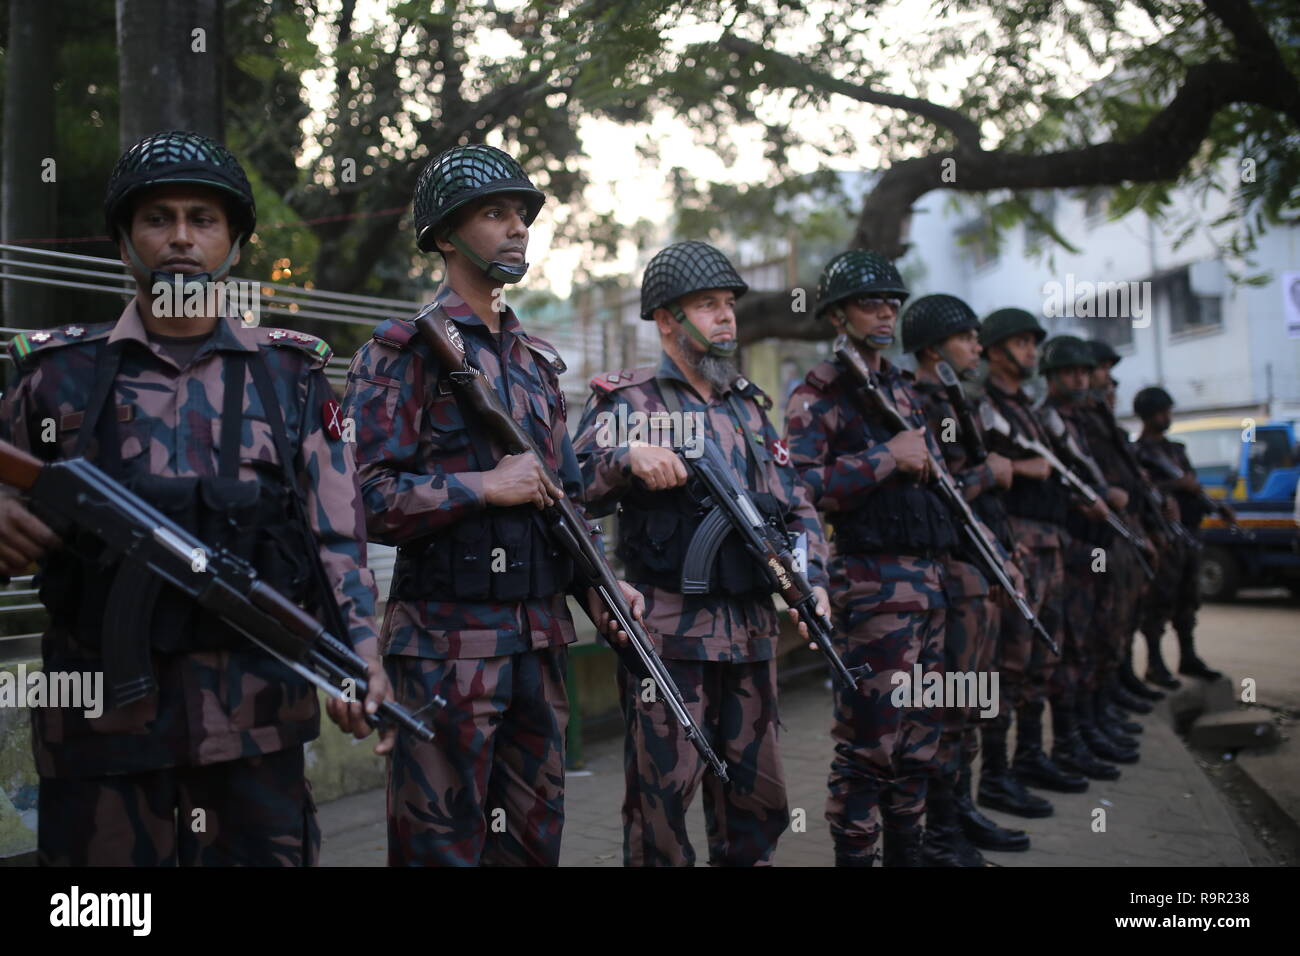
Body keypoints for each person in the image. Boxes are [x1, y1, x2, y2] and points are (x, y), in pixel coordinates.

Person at [0, 130, 389, 866]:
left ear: (233, 247)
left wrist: (361, 655)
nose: (180, 237)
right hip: (98, 733)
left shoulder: (290, 379)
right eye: (158, 218)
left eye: (203, 220)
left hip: (256, 726)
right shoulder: (52, 377)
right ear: (124, 244)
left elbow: (339, 540)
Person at [343, 143, 642, 866]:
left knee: (534, 844)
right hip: (445, 649)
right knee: (439, 848)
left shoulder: (536, 363)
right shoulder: (401, 353)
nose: (516, 228)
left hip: (539, 644)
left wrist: (599, 587)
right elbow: (363, 499)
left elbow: (564, 499)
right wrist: (481, 486)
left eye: (521, 215)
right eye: (493, 213)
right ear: (445, 236)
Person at [571, 240, 829, 866]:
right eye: (708, 305)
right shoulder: (627, 401)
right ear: (666, 320)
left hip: (751, 633)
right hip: (669, 639)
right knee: (661, 807)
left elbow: (794, 505)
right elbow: (569, 485)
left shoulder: (748, 406)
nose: (726, 318)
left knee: (757, 802)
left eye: (730, 305)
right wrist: (626, 458)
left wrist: (812, 578)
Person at [785, 251, 1002, 866]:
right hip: (873, 590)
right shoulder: (819, 393)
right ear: (837, 315)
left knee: (919, 744)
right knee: (869, 748)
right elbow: (799, 487)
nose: (884, 312)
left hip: (929, 586)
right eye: (869, 303)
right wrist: (887, 458)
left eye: (891, 303)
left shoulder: (904, 391)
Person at [899, 294, 1029, 863]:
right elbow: (939, 490)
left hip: (978, 567)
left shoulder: (957, 401)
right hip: (949, 572)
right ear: (933, 348)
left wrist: (1004, 550)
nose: (978, 345)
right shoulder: (919, 404)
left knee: (973, 700)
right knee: (949, 706)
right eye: (966, 337)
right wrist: (989, 474)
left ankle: (964, 809)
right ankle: (941, 830)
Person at [978, 311, 1102, 811]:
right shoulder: (982, 406)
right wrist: (1034, 467)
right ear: (993, 350)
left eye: (1033, 343)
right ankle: (994, 773)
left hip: (1048, 542)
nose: (1031, 352)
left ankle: (1028, 756)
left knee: (1040, 659)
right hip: (1018, 543)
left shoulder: (1025, 408)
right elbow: (991, 469)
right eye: (1021, 343)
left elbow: (1051, 470)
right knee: (1008, 663)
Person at [1038, 336, 1142, 769]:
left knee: (1098, 637)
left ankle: (1091, 723)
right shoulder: (1044, 422)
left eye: (1085, 371)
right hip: (1070, 548)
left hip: (1096, 545)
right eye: (1072, 372)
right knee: (1072, 648)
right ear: (1053, 376)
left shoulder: (1080, 421)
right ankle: (1069, 740)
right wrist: (1091, 499)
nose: (1081, 379)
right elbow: (1042, 491)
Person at [1133, 387, 1224, 683]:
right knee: (1159, 600)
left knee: (1188, 599)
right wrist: (1176, 486)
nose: (1167, 417)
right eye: (1162, 412)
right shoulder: (1138, 454)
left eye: (1168, 411)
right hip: (1162, 537)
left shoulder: (1176, 450)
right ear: (1148, 415)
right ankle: (1155, 662)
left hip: (1188, 534)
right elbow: (1144, 493)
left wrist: (1214, 505)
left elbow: (1193, 486)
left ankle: (1188, 656)